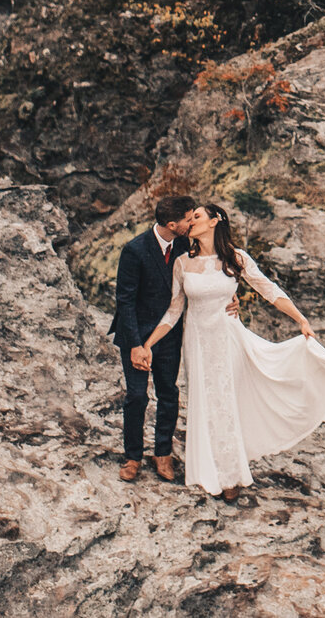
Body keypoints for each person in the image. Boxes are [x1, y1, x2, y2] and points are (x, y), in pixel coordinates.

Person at [136, 201, 325, 501]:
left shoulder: (236, 258)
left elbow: (268, 289)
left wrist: (301, 319)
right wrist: (147, 344)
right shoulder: (182, 262)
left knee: (226, 403)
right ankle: (207, 472)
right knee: (204, 402)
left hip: (227, 338)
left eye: (196, 217)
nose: (190, 223)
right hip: (196, 342)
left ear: (215, 221)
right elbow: (174, 309)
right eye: (189, 218)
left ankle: (231, 475)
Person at [109, 193, 199, 481]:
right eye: (188, 219)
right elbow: (124, 301)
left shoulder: (186, 244)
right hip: (135, 335)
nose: (192, 222)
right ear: (172, 224)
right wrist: (136, 345)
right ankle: (133, 456)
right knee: (136, 396)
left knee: (169, 394)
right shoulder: (135, 250)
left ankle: (163, 454)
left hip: (169, 335)